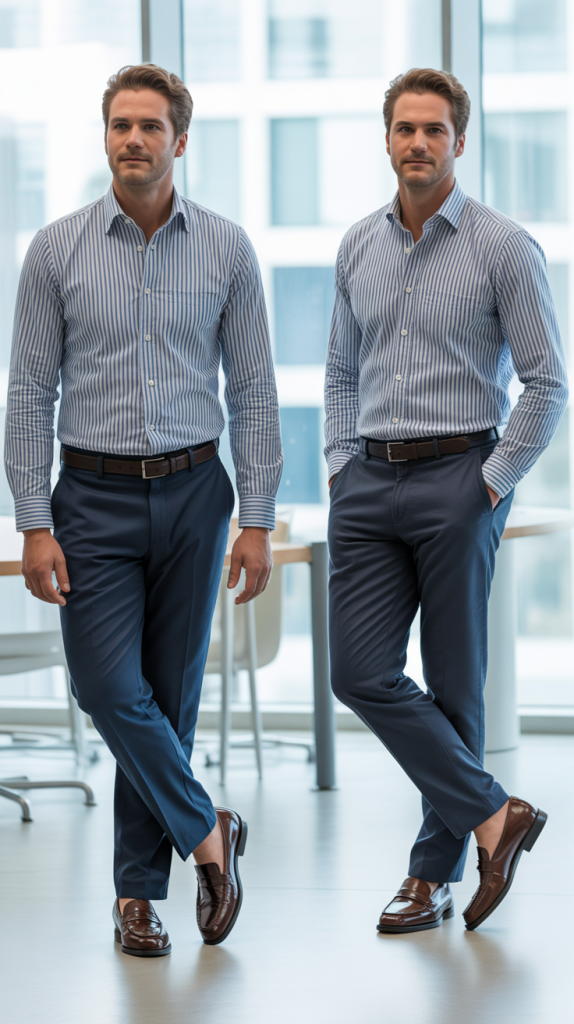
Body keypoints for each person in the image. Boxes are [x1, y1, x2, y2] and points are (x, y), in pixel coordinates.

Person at [4, 64, 282, 955]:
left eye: (150, 126)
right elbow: (26, 393)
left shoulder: (229, 249)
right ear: (106, 136)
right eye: (120, 124)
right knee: (106, 687)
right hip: (90, 498)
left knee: (169, 698)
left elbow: (256, 392)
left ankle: (136, 897)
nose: (134, 139)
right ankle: (210, 835)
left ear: (180, 140)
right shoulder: (55, 250)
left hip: (199, 494)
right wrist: (34, 518)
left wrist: (258, 516)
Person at [325, 67, 567, 934]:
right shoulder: (357, 244)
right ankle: (497, 815)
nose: (418, 143)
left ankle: (430, 877)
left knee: (454, 683)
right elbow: (341, 374)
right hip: (367, 483)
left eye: (434, 130)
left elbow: (546, 386)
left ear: (460, 142)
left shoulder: (504, 246)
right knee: (356, 672)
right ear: (386, 140)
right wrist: (338, 468)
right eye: (405, 129)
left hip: (459, 477)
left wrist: (486, 488)